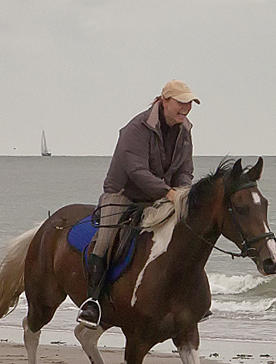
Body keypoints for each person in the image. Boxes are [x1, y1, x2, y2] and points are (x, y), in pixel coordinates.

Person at [77, 79, 199, 327]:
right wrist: (168, 192)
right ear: (164, 101)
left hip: (161, 194)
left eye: (189, 103)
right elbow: (137, 172)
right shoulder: (135, 129)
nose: (186, 107)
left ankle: (189, 300)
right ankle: (93, 303)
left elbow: (186, 168)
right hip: (123, 193)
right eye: (181, 102)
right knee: (105, 240)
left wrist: (182, 191)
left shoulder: (185, 129)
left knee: (187, 234)